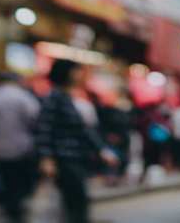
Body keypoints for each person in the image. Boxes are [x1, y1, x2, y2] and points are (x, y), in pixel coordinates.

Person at [35, 59, 119, 223]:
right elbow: (45, 129)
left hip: (74, 157)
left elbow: (81, 130)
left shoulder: (65, 97)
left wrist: (100, 150)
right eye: (76, 71)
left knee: (75, 202)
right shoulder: (54, 97)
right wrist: (47, 158)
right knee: (76, 201)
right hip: (64, 158)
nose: (80, 75)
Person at [0, 71, 40, 221]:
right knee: (20, 180)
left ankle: (9, 205)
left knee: (6, 178)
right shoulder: (23, 96)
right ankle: (15, 207)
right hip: (23, 147)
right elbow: (36, 118)